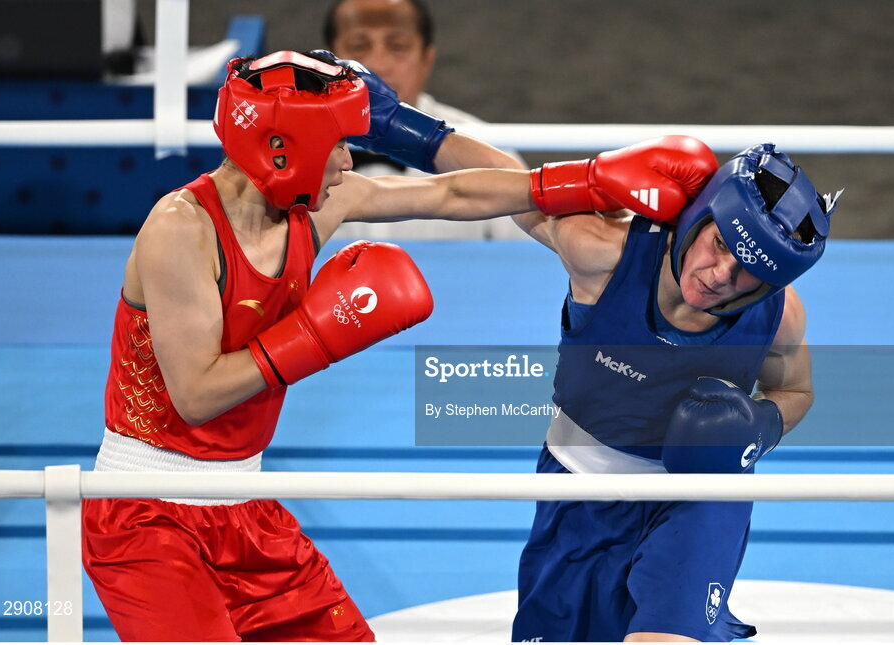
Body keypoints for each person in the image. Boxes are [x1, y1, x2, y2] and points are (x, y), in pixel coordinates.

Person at [80, 49, 694, 641]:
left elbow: (455, 195)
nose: (349, 163)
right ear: (280, 152)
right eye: (337, 146)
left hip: (242, 503)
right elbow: (195, 395)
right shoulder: (179, 230)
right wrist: (319, 334)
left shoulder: (316, 208)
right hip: (143, 511)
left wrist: (586, 182)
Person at [510, 141, 841, 642]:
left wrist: (757, 427)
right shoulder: (605, 252)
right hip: (578, 486)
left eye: (750, 272)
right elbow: (496, 191)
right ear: (699, 218)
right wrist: (409, 133)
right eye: (723, 246)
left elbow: (795, 390)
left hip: (700, 497)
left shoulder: (779, 315)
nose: (719, 276)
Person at [322, 0, 528, 240]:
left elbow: (532, 258)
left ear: (426, 59)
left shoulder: (487, 148)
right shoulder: (291, 148)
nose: (377, 65)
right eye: (359, 47)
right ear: (331, 60)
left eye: (397, 47)